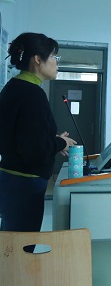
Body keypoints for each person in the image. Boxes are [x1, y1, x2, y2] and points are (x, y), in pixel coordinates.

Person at [0, 32, 77, 233]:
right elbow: (34, 148)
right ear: (37, 60)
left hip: (12, 178)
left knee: (11, 242)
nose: (56, 62)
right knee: (22, 246)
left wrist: (53, 140)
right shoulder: (32, 94)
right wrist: (61, 143)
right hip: (25, 183)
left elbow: (22, 137)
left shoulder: (14, 87)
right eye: (53, 56)